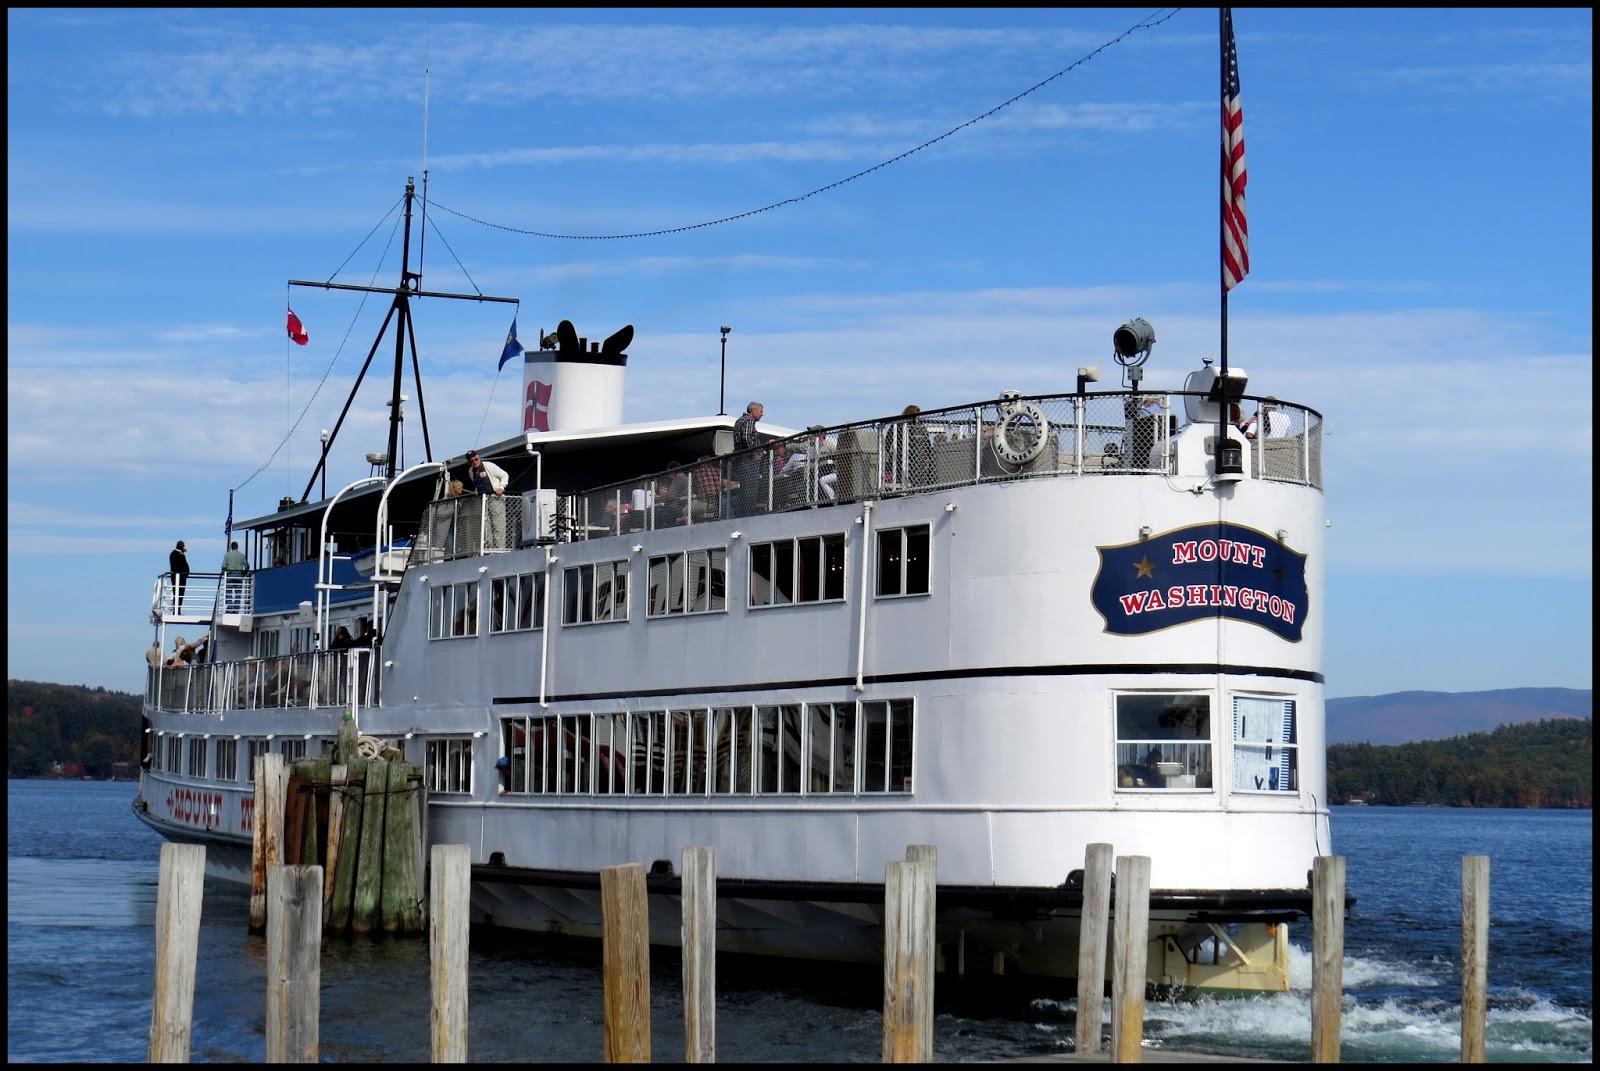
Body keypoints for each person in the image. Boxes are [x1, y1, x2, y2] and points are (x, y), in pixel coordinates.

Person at [466, 450, 510, 550]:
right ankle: (490, 549)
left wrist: (501, 487)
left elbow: (504, 475)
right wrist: (476, 490)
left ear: (478, 458)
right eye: (472, 461)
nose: (475, 462)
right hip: (483, 500)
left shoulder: (489, 466)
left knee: (498, 525)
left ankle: (499, 549)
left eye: (476, 459)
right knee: (486, 527)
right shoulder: (471, 472)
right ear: (469, 463)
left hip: (495, 498)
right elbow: (477, 483)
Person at [732, 401, 766, 516]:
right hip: (747, 459)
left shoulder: (740, 420)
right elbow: (746, 437)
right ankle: (747, 514)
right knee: (751, 488)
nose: (762, 414)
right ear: (753, 411)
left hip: (741, 459)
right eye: (761, 411)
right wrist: (753, 454)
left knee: (744, 488)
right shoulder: (749, 420)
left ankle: (740, 513)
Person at [220, 540, 248, 611]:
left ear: (231, 547)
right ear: (237, 547)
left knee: (228, 591)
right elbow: (247, 566)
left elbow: (223, 566)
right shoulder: (242, 555)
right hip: (239, 575)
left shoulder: (227, 555)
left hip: (230, 575)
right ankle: (236, 609)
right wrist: (243, 574)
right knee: (238, 593)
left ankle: (230, 607)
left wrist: (224, 571)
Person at [169, 540, 191, 614]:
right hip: (181, 577)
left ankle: (176, 610)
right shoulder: (179, 555)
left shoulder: (172, 554)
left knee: (176, 593)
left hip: (174, 577)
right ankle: (177, 610)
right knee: (180, 594)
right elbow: (183, 565)